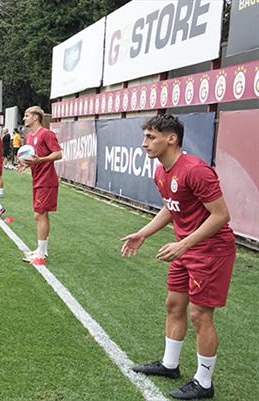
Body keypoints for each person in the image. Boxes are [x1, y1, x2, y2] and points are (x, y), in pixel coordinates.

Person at [122, 114, 235, 400]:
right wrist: (143, 233)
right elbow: (171, 209)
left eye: (150, 137)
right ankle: (170, 365)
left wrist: (184, 244)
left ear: (171, 139)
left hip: (211, 251)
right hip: (187, 248)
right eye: (145, 137)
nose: (143, 144)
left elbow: (221, 216)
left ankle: (204, 382)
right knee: (174, 305)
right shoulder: (161, 171)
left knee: (200, 315)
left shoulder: (196, 170)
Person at [18, 106, 62, 263]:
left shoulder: (46, 134)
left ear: (36, 117)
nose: (25, 118)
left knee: (39, 214)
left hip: (47, 180)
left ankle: (41, 253)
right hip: (37, 179)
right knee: (41, 214)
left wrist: (40, 161)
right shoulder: (30, 137)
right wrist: (27, 165)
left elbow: (58, 153)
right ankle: (41, 250)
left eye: (27, 115)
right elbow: (34, 158)